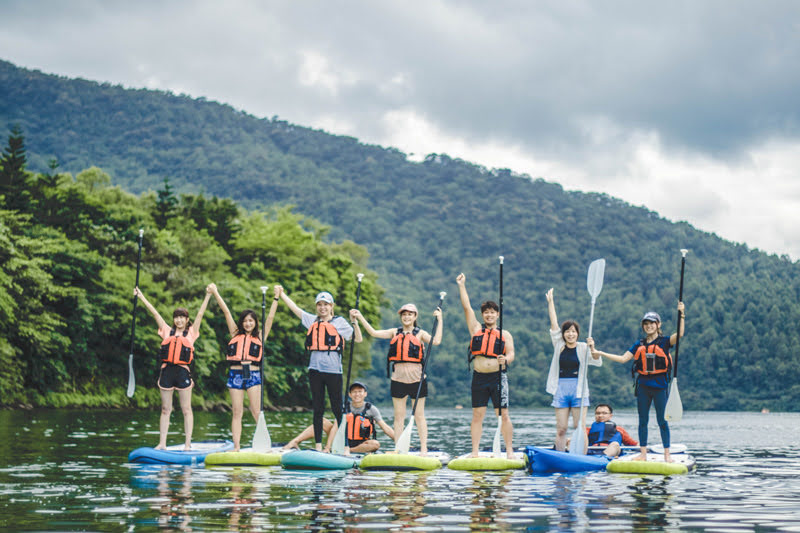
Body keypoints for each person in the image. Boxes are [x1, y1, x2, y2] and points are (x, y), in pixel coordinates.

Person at [589, 302, 685, 462]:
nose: (649, 326)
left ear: (658, 325)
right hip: (643, 387)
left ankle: (667, 455)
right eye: (646, 324)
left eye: (652, 323)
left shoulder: (665, 342)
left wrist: (681, 314)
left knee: (662, 421)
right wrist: (600, 353)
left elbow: (680, 334)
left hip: (660, 386)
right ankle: (643, 454)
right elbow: (622, 359)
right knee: (643, 420)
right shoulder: (639, 344)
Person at [350, 303, 443, 455]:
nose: (407, 317)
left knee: (419, 415)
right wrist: (359, 317)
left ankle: (424, 448)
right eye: (404, 314)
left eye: (410, 314)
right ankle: (399, 448)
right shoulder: (394, 332)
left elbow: (437, 341)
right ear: (401, 317)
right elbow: (373, 333)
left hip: (417, 380)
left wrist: (440, 319)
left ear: (415, 317)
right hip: (398, 379)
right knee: (399, 417)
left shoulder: (420, 334)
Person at [278, 286, 362, 451]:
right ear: (316, 306)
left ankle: (344, 446)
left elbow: (357, 338)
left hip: (333, 372)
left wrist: (355, 322)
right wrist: (281, 294)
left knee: (338, 409)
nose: (322, 308)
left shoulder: (339, 322)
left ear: (332, 306)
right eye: (319, 304)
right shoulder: (312, 320)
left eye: (326, 304)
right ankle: (318, 446)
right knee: (318, 408)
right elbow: (295, 309)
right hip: (315, 370)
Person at [133, 285, 212, 450]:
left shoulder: (191, 333)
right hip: (167, 372)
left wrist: (208, 296)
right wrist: (141, 297)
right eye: (177, 317)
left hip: (182, 372)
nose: (179, 320)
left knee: (186, 409)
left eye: (182, 317)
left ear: (187, 320)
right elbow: (154, 312)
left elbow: (200, 314)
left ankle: (188, 444)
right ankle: (162, 443)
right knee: (165, 409)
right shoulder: (167, 331)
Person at [208, 283, 281, 451]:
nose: (248, 323)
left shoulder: (261, 337)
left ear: (255, 323)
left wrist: (276, 297)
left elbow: (269, 319)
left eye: (251, 321)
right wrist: (216, 292)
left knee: (256, 412)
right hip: (235, 375)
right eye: (245, 321)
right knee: (237, 412)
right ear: (241, 322)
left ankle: (265, 445)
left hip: (253, 375)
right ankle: (237, 447)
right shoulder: (235, 333)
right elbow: (226, 311)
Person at [456, 272, 516, 459]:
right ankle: (475, 451)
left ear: (497, 315)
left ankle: (509, 451)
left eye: (492, 312)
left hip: (498, 377)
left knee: (503, 415)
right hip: (479, 377)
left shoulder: (504, 334)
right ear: (483, 315)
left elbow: (511, 353)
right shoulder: (475, 329)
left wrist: (505, 360)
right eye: (486, 312)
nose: (489, 315)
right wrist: (461, 285)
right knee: (477, 415)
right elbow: (467, 307)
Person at [545, 288, 602, 451]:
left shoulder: (584, 347)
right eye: (567, 332)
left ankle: (581, 456)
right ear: (563, 334)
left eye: (573, 331)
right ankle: (561, 454)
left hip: (579, 390)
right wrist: (551, 303)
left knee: (579, 426)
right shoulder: (559, 346)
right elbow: (554, 324)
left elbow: (597, 360)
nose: (570, 334)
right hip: (561, 388)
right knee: (561, 428)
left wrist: (593, 348)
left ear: (577, 334)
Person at [282, 382, 394, 453]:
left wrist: (400, 443)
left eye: (360, 392)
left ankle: (349, 450)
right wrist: (327, 447)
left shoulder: (371, 409)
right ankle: (294, 442)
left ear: (365, 394)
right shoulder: (344, 407)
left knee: (375, 444)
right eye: (354, 392)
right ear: (350, 395)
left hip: (360, 444)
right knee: (322, 421)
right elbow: (336, 426)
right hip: (341, 439)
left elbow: (385, 428)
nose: (357, 394)